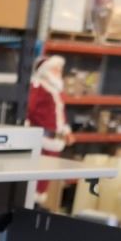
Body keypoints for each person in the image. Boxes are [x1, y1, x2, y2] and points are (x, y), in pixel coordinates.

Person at [27, 55, 72, 205]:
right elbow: (28, 108)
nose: (59, 72)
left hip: (54, 140)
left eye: (60, 70)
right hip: (42, 139)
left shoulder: (56, 91)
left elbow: (60, 116)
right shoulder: (38, 87)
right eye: (55, 69)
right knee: (35, 177)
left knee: (45, 178)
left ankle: (37, 202)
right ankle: (31, 203)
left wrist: (66, 131)